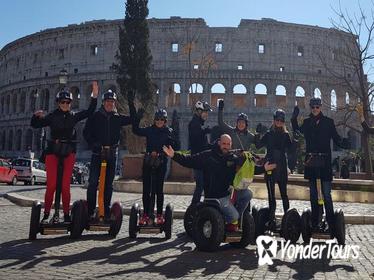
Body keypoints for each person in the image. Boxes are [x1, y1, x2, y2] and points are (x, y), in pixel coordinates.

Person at [163, 134, 276, 232]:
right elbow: (190, 160)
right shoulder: (208, 155)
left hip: (227, 194)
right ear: (219, 143)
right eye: (223, 143)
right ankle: (229, 220)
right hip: (214, 197)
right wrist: (174, 155)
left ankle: (232, 219)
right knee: (234, 216)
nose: (225, 146)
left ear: (231, 145)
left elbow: (247, 169)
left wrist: (263, 169)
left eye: (228, 144)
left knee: (248, 194)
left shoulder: (232, 158)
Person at [31, 81, 98, 223]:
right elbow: (36, 125)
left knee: (66, 186)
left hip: (68, 152)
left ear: (71, 103)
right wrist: (35, 116)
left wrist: (94, 96)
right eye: (63, 102)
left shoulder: (73, 116)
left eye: (68, 102)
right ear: (58, 103)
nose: (65, 104)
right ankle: (47, 213)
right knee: (52, 185)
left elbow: (89, 111)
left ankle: (66, 214)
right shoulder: (52, 116)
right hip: (53, 152)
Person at [291, 97, 350, 231]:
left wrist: (344, 143)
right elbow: (297, 134)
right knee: (313, 194)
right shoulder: (306, 122)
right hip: (311, 161)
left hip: (324, 163)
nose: (315, 109)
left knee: (326, 194)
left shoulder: (329, 122)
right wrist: (294, 119)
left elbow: (336, 138)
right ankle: (315, 220)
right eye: (313, 107)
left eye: (317, 107)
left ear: (321, 107)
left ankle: (330, 221)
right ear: (310, 108)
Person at [83, 89, 132, 222]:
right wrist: (94, 144)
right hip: (97, 153)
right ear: (103, 102)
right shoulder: (95, 116)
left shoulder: (118, 117)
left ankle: (105, 208)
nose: (110, 104)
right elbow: (86, 133)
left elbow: (133, 119)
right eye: (108, 101)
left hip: (112, 153)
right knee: (93, 182)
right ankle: (91, 210)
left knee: (108, 184)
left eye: (112, 102)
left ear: (115, 103)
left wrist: (133, 105)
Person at [130, 106, 175, 225]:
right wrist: (137, 118)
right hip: (148, 161)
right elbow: (135, 130)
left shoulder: (168, 131)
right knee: (146, 190)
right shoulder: (149, 130)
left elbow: (173, 146)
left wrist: (163, 151)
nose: (159, 121)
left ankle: (160, 214)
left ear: (165, 121)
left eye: (162, 119)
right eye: (157, 119)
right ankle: (145, 214)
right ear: (154, 120)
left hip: (161, 162)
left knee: (159, 190)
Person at [256, 109, 294, 228]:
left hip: (282, 167)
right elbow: (258, 145)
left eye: (281, 120)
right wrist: (258, 134)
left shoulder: (286, 135)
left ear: (283, 122)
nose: (279, 122)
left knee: (284, 195)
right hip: (270, 166)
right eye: (277, 120)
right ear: (274, 120)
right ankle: (271, 219)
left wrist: (296, 142)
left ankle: (288, 220)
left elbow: (291, 151)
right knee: (271, 196)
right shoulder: (269, 133)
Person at [188, 100, 212, 204]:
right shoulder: (194, 123)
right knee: (200, 186)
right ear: (198, 111)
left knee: (205, 184)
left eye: (207, 112)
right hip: (198, 160)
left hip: (202, 159)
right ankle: (193, 209)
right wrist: (204, 132)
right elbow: (195, 140)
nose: (206, 114)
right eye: (205, 112)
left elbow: (203, 144)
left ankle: (206, 206)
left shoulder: (199, 123)